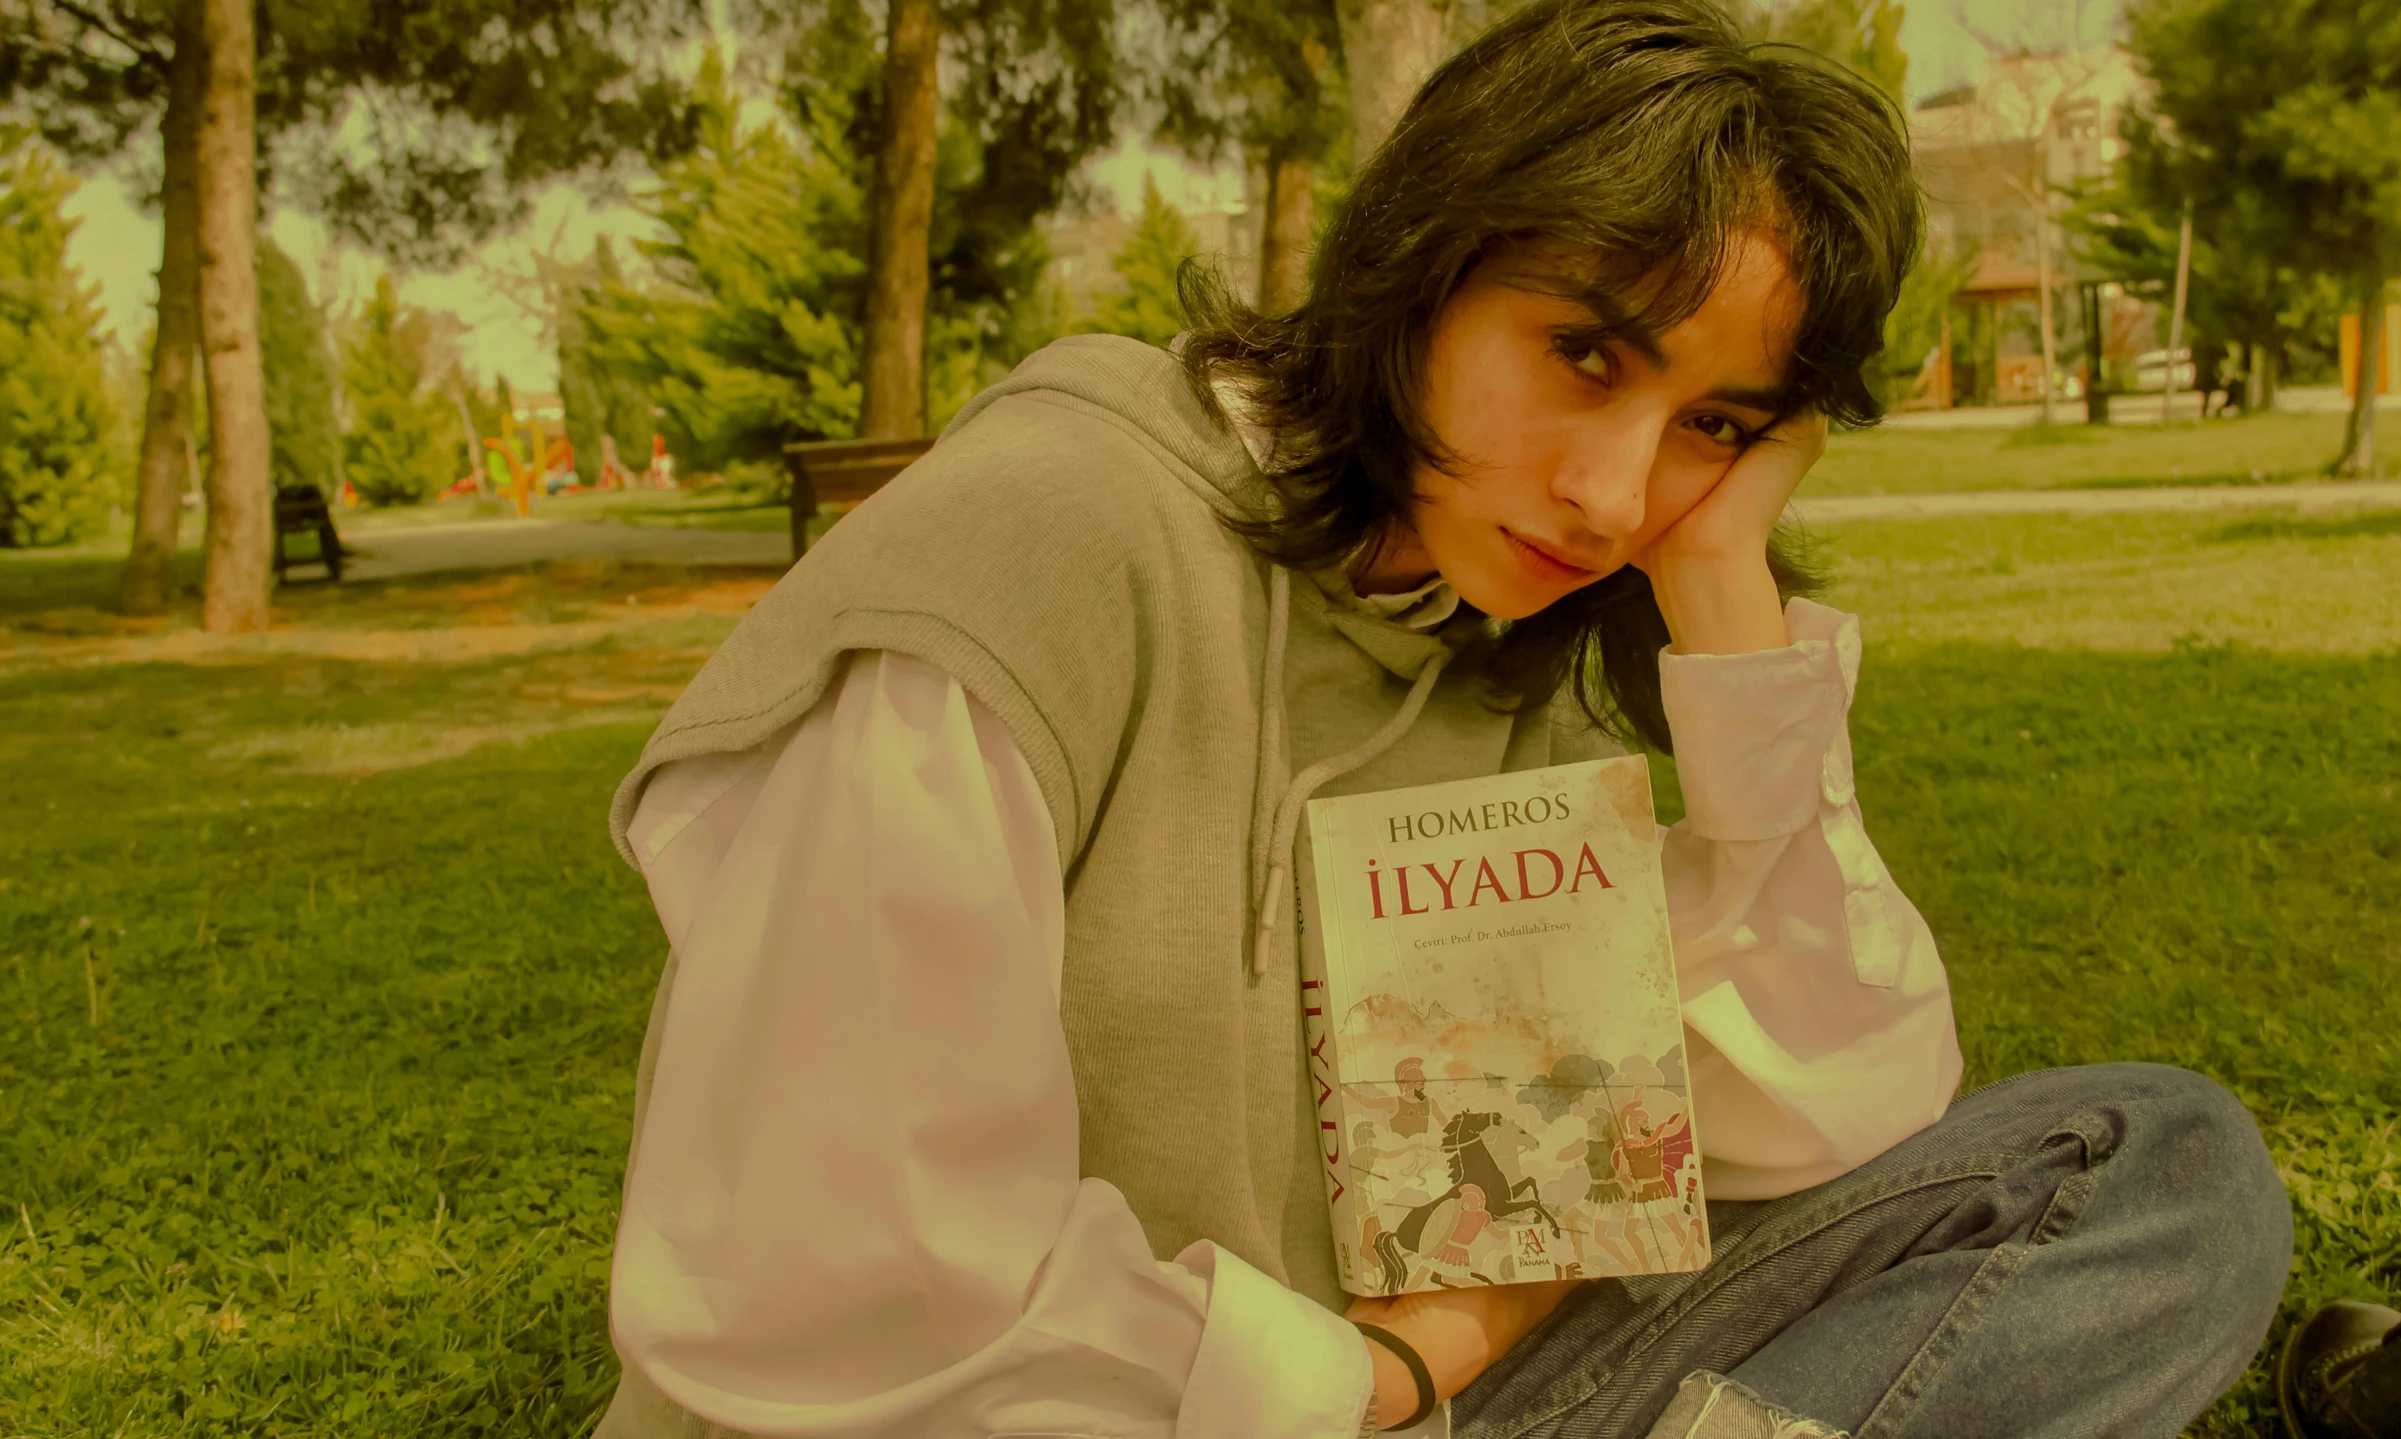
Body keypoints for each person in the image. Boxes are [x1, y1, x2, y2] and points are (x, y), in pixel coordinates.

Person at [590, 3, 2293, 1436]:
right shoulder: (1054, 533)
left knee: (2159, 1167)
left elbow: (1838, 1104)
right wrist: (1384, 1365)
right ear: (1420, 265)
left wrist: (1719, 584)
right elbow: (826, 1280)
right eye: (1585, 354)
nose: (1615, 491)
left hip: (1408, 1390)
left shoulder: (1509, 636)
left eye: (1717, 421)